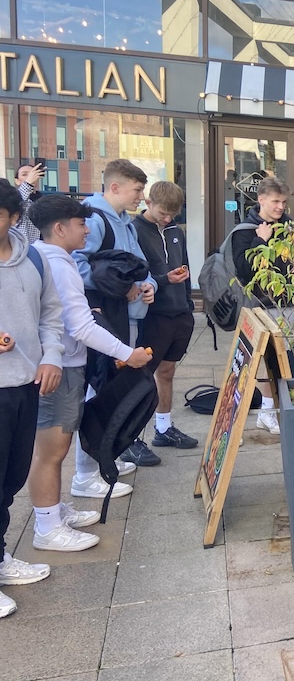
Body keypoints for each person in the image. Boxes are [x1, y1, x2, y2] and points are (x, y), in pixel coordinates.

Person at [26, 196, 153, 553]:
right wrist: (128, 354)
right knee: (52, 449)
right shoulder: (59, 264)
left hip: (62, 364)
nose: (86, 231)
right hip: (60, 368)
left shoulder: (44, 257)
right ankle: (47, 527)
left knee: (54, 446)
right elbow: (80, 326)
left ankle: (52, 511)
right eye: (80, 225)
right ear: (60, 228)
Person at [0, 182, 63, 619]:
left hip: (24, 385)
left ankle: (1, 557)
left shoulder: (33, 259)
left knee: (10, 480)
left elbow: (51, 315)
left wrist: (52, 357)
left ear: (13, 217)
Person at [72, 158, 160, 466]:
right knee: (98, 389)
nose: (141, 197)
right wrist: (123, 288)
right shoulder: (94, 220)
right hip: (102, 318)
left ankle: (108, 453)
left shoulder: (124, 220)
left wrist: (149, 285)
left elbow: (139, 266)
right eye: (137, 190)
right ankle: (88, 468)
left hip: (125, 317)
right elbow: (76, 266)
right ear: (115, 187)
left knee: (115, 387)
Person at [133, 181, 198, 450]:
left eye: (173, 214)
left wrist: (188, 304)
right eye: (163, 213)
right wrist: (163, 279)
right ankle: (132, 437)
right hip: (152, 314)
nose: (168, 219)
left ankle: (163, 428)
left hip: (179, 312)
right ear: (148, 202)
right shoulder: (134, 230)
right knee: (140, 376)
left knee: (168, 371)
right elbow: (137, 275)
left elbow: (184, 268)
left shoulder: (175, 231)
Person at [232, 176, 292, 434]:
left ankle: (269, 410)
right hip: (261, 306)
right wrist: (261, 241)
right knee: (258, 362)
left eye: (284, 202)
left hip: (288, 304)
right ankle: (242, 419)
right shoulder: (245, 230)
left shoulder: (288, 227)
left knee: (280, 361)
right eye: (276, 201)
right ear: (261, 200)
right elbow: (245, 272)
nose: (280, 207)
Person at [14, 160, 45, 243]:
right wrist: (28, 184)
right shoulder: (14, 199)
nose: (30, 176)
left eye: (32, 173)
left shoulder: (43, 200)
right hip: (23, 247)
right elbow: (17, 201)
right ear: (16, 181)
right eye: (24, 174)